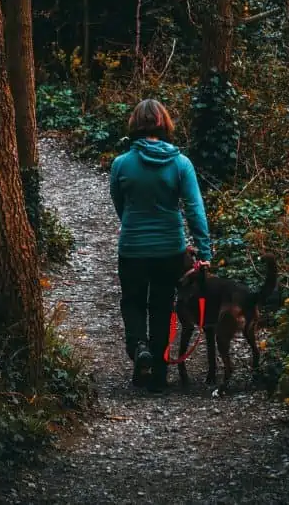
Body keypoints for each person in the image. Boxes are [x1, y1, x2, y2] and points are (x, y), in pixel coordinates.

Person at [109, 99, 212, 391]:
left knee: (132, 301)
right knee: (162, 306)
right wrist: (203, 253)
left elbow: (120, 204)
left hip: (132, 248)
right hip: (170, 248)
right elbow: (195, 209)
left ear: (135, 124)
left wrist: (132, 226)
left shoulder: (121, 164)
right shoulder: (181, 164)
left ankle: (139, 348)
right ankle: (157, 376)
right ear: (164, 124)